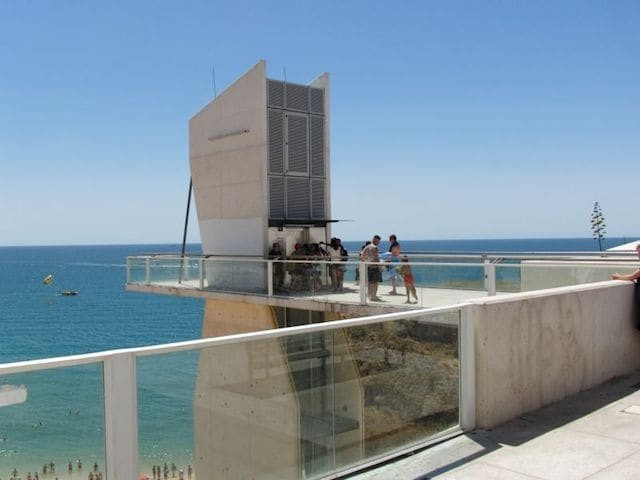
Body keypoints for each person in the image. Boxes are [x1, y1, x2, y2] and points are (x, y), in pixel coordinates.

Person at [361, 235, 382, 301]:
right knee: (375, 282)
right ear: (375, 240)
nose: (379, 242)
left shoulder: (366, 247)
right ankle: (374, 296)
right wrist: (380, 267)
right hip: (374, 267)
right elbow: (376, 259)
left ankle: (370, 296)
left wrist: (368, 261)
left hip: (368, 267)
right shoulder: (375, 247)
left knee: (370, 282)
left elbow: (362, 258)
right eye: (378, 241)